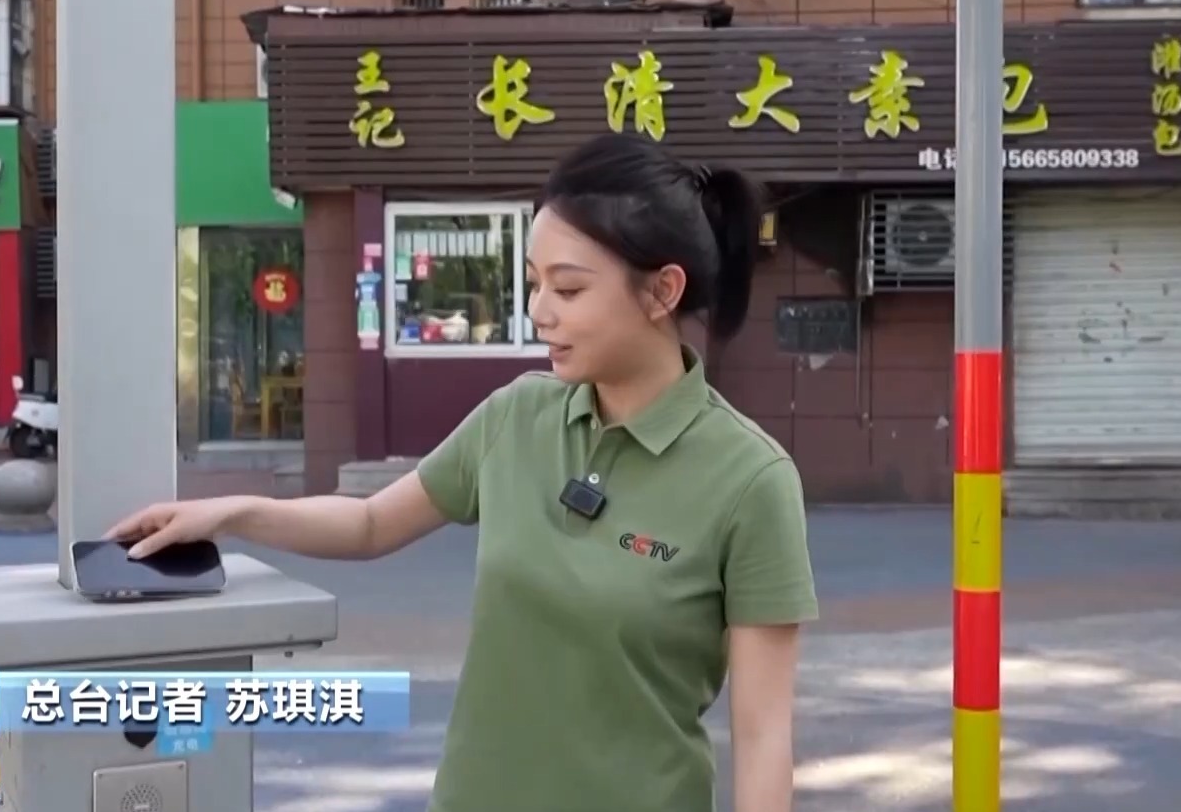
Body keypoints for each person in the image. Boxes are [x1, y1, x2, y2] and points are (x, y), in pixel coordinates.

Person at [108, 133, 817, 812]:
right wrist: (232, 514)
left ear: (662, 292)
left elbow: (762, 737)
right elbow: (370, 522)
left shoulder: (750, 480)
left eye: (568, 290)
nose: (538, 312)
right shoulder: (516, 416)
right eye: (533, 284)